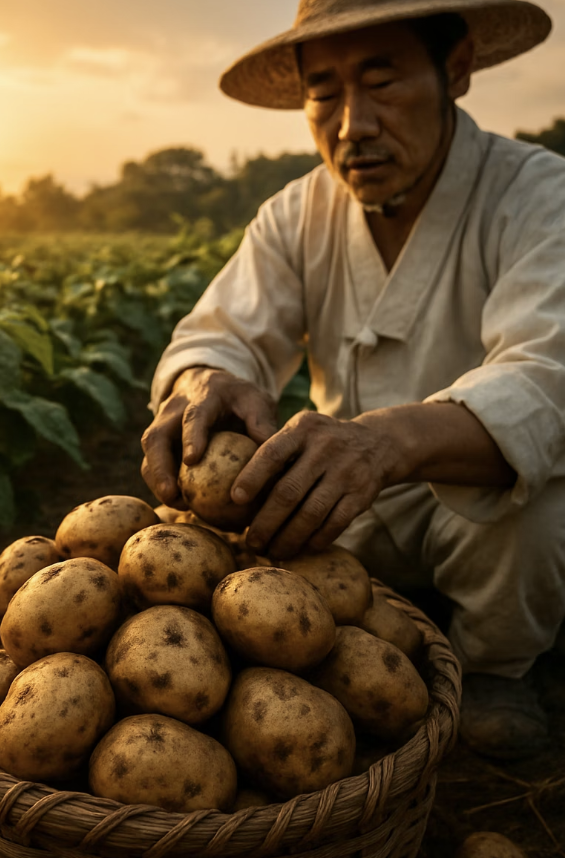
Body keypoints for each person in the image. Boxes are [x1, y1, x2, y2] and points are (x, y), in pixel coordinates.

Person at [140, 0, 565, 761]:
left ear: (456, 69)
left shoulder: (539, 196)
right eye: (325, 92)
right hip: (339, 516)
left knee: (543, 498)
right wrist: (205, 380)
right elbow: (219, 332)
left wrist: (389, 442)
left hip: (477, 516)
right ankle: (356, 648)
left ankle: (498, 667)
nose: (352, 124)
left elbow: (548, 376)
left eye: (382, 80)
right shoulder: (294, 216)